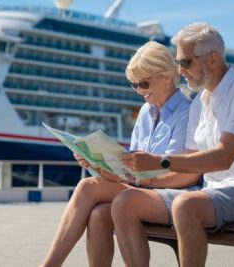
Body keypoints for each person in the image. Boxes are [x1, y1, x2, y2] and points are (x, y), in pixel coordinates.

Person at [116, 22, 234, 267]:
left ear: (213, 59)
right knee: (125, 202)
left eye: (185, 62)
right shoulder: (199, 103)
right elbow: (194, 166)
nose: (180, 70)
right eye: (178, 63)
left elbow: (223, 157)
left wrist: (159, 161)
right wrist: (137, 179)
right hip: (212, 193)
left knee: (186, 205)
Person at [40, 41, 201, 267]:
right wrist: (96, 163)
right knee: (97, 216)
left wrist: (133, 178)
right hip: (142, 189)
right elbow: (130, 166)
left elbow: (186, 175)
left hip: (174, 192)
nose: (140, 91)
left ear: (166, 77)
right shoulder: (146, 111)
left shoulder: (187, 111)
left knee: (87, 187)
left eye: (144, 83)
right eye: (134, 85)